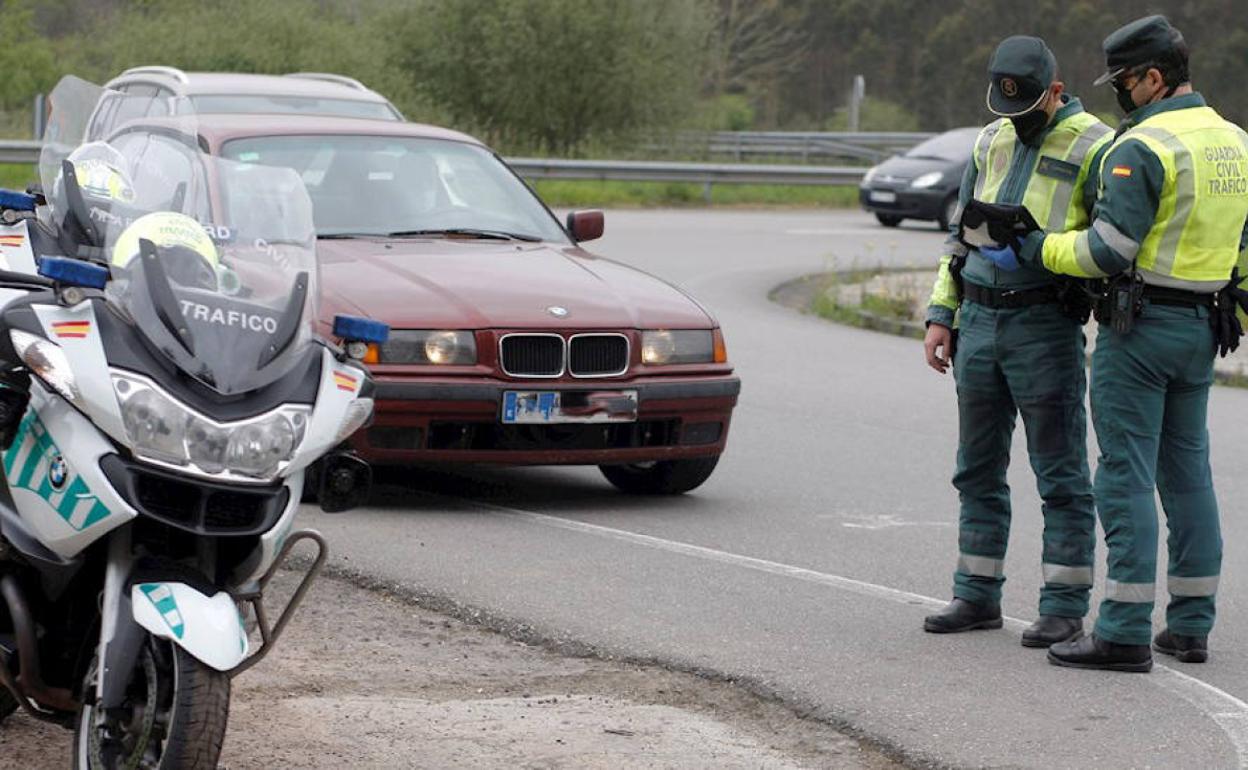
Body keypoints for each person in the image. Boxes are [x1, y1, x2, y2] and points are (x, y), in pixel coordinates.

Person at [979, 15, 1248, 671]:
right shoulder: (1235, 142)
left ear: (1154, 78)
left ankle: (1124, 629)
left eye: (1125, 80)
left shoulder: (1143, 146)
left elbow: (1107, 251)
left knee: (1123, 476)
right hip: (1203, 325)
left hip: (1141, 327)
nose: (1120, 92)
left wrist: (1038, 245)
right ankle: (1189, 626)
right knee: (1188, 477)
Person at [922, 36, 1113, 647]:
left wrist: (1038, 249)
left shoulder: (1096, 145)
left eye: (1028, 108)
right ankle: (975, 594)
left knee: (1060, 473)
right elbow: (958, 237)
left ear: (1055, 91)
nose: (1016, 120)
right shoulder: (991, 139)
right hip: (977, 320)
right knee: (975, 469)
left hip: (1044, 323)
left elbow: (1106, 248)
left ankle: (1063, 605)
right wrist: (940, 313)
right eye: (1006, 108)